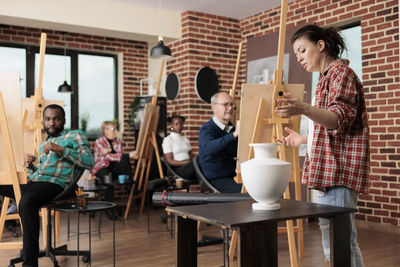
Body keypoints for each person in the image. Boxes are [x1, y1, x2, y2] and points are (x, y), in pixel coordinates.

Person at [275, 25, 369, 267]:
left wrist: (304, 108)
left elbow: (338, 119)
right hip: (328, 172)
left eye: (303, 50)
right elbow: (330, 128)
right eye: (296, 55)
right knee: (334, 240)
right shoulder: (325, 78)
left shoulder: (340, 73)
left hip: (338, 172)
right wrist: (303, 139)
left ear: (320, 45)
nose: (300, 59)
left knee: (341, 241)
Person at [0, 104, 94, 267]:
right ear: (43, 121)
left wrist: (61, 150)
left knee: (26, 202)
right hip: (36, 183)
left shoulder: (75, 135)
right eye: (48, 119)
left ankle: (30, 264)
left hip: (56, 185)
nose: (51, 123)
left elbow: (89, 162)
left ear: (63, 120)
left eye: (56, 119)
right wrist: (31, 167)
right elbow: (38, 175)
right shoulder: (45, 143)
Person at [91, 121, 136, 218]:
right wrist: (127, 155)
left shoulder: (117, 141)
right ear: (105, 131)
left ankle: (130, 183)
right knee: (108, 179)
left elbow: (118, 157)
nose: (115, 131)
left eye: (116, 129)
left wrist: (112, 152)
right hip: (101, 167)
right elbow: (108, 157)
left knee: (124, 160)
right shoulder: (99, 141)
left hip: (113, 166)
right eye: (113, 129)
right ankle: (109, 209)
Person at [198, 91, 241, 193]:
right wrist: (234, 135)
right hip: (216, 179)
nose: (230, 108)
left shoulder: (232, 129)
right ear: (214, 107)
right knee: (249, 192)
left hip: (234, 175)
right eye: (226, 104)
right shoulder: (207, 128)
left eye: (231, 104)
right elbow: (209, 148)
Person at [162, 115, 196, 182]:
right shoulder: (168, 140)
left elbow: (191, 156)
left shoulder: (185, 139)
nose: (179, 126)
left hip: (189, 166)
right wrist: (187, 163)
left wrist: (191, 162)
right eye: (176, 124)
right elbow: (170, 161)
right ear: (171, 125)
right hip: (178, 170)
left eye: (181, 124)